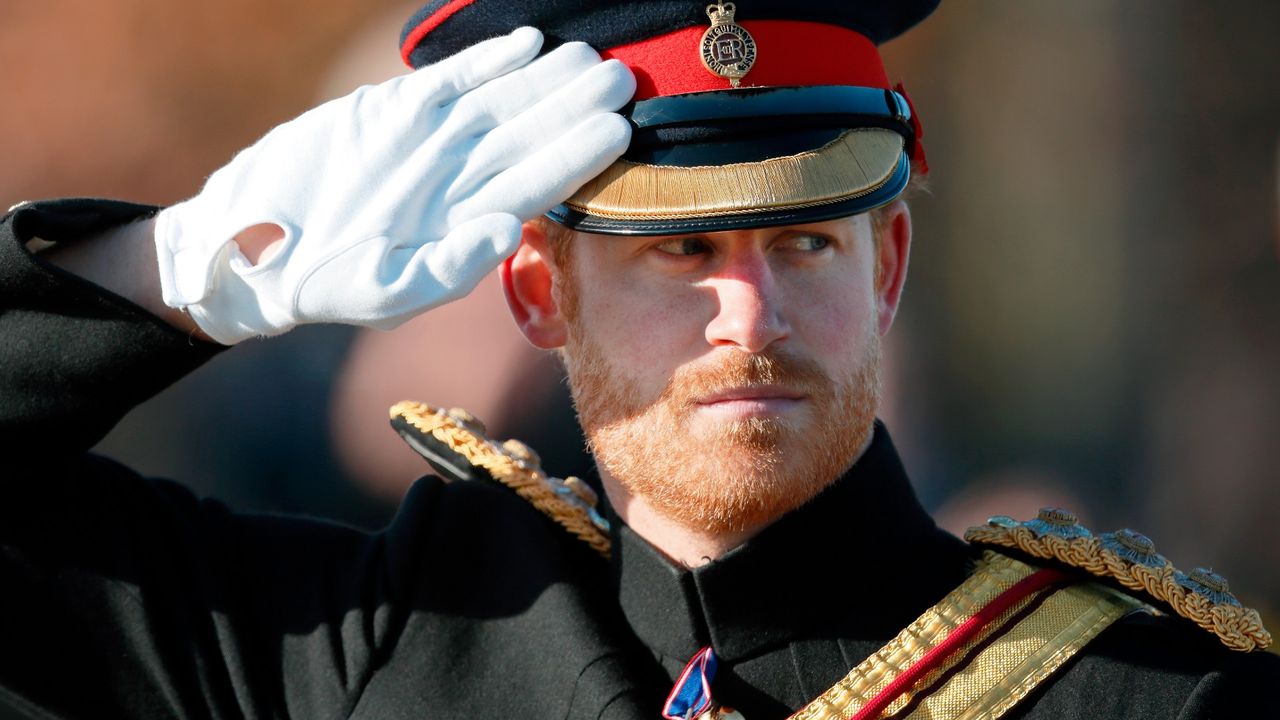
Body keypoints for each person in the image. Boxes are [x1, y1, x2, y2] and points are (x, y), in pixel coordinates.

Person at [1, 1, 1276, 718]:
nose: (749, 314)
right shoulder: (373, 650)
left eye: (805, 247)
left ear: (885, 272)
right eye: (679, 252)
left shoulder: (1148, 701)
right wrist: (173, 276)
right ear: (535, 290)